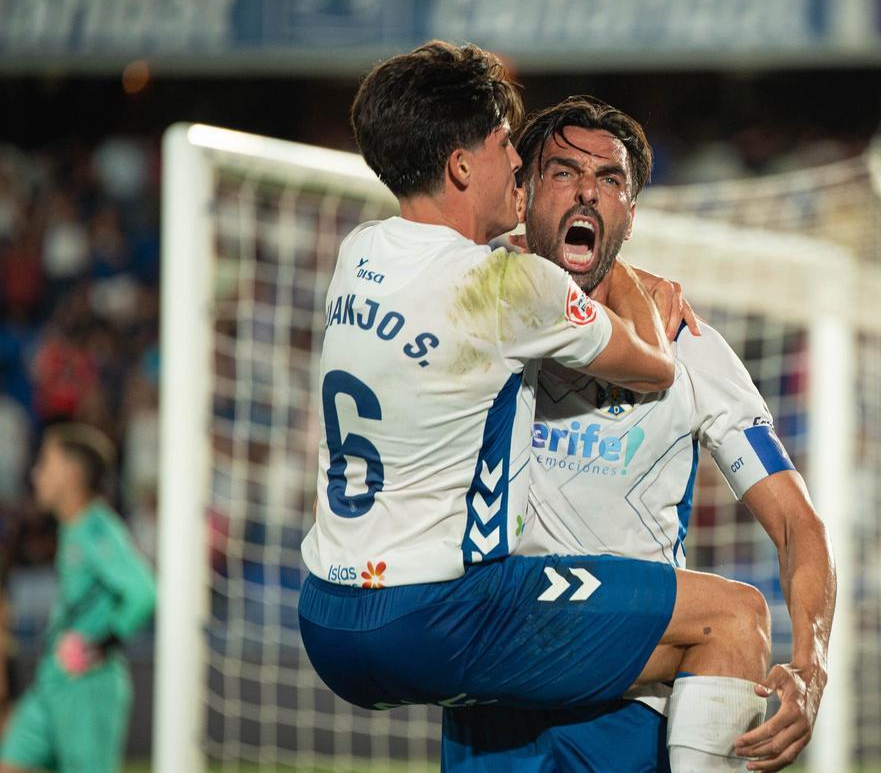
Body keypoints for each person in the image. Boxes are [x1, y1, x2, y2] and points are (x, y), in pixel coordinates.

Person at [297, 42, 796, 768]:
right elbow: (653, 364)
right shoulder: (515, 289)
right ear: (464, 165)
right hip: (441, 613)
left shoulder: (360, 252)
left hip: (328, 619)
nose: (520, 172)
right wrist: (636, 283)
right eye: (510, 148)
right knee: (734, 616)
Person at [441, 96, 835, 772]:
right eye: (563, 172)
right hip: (498, 689)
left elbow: (798, 521)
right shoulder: (474, 316)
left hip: (629, 698)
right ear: (523, 192)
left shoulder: (691, 349)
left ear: (630, 213)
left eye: (611, 180)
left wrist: (811, 662)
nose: (588, 190)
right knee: (734, 616)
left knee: (739, 619)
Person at [0, 423, 156, 773]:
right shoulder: (72, 528)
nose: (36, 474)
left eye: (46, 463)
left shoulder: (99, 528)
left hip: (87, 684)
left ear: (71, 473)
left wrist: (102, 642)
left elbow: (143, 591)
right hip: (52, 681)